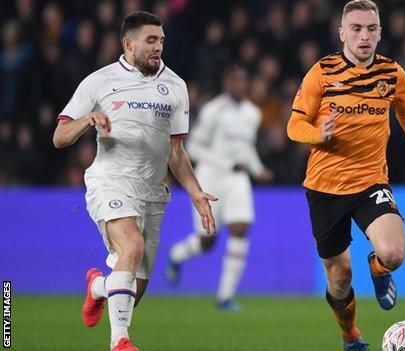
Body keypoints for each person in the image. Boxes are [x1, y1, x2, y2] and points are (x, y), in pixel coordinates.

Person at [287, 1, 405, 350]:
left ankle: (379, 269)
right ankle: (351, 337)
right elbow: (294, 125)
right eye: (356, 28)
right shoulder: (321, 73)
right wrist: (318, 134)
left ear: (380, 32)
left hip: (370, 182)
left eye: (370, 28)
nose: (364, 35)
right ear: (342, 33)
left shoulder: (392, 74)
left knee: (394, 253)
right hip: (324, 189)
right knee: (339, 279)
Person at [52, 11, 216, 351]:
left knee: (131, 292)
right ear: (129, 44)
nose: (158, 47)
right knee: (132, 247)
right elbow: (60, 137)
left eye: (161, 41)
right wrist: (88, 119)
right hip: (110, 181)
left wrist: (196, 192)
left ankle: (97, 286)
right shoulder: (99, 81)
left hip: (153, 193)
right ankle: (120, 342)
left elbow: (175, 151)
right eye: (151, 40)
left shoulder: (175, 86)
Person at [166, 64, 272, 312]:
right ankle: (177, 255)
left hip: (238, 180)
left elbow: (247, 149)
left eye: (241, 81)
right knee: (207, 241)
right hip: (210, 178)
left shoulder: (252, 113)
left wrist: (258, 170)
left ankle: (225, 297)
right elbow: (194, 148)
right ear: (226, 84)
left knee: (240, 228)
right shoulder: (213, 111)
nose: (237, 85)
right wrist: (225, 162)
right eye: (233, 81)